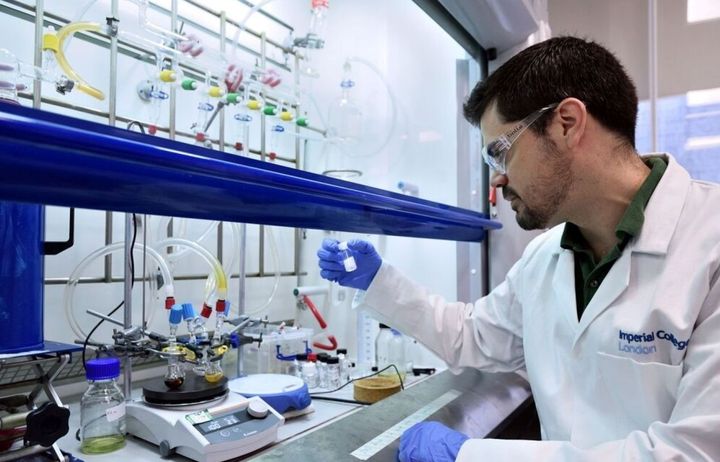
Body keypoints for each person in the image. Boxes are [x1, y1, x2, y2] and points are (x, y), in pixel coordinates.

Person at [317, 36, 720, 461]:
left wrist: (470, 457)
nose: (496, 181)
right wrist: (379, 281)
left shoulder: (708, 242)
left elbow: (693, 451)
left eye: (500, 153)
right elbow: (472, 335)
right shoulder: (545, 257)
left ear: (566, 123)